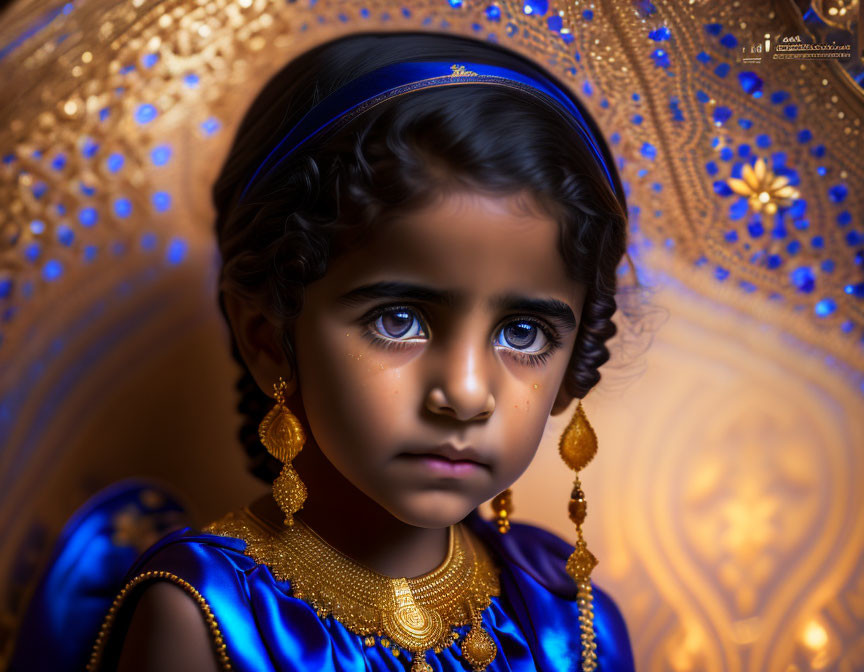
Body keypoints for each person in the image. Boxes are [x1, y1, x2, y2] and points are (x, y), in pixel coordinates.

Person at [85, 32, 638, 672]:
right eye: (399, 320)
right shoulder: (208, 616)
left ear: (572, 368)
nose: (464, 393)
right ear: (269, 336)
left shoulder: (568, 618)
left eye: (523, 334)